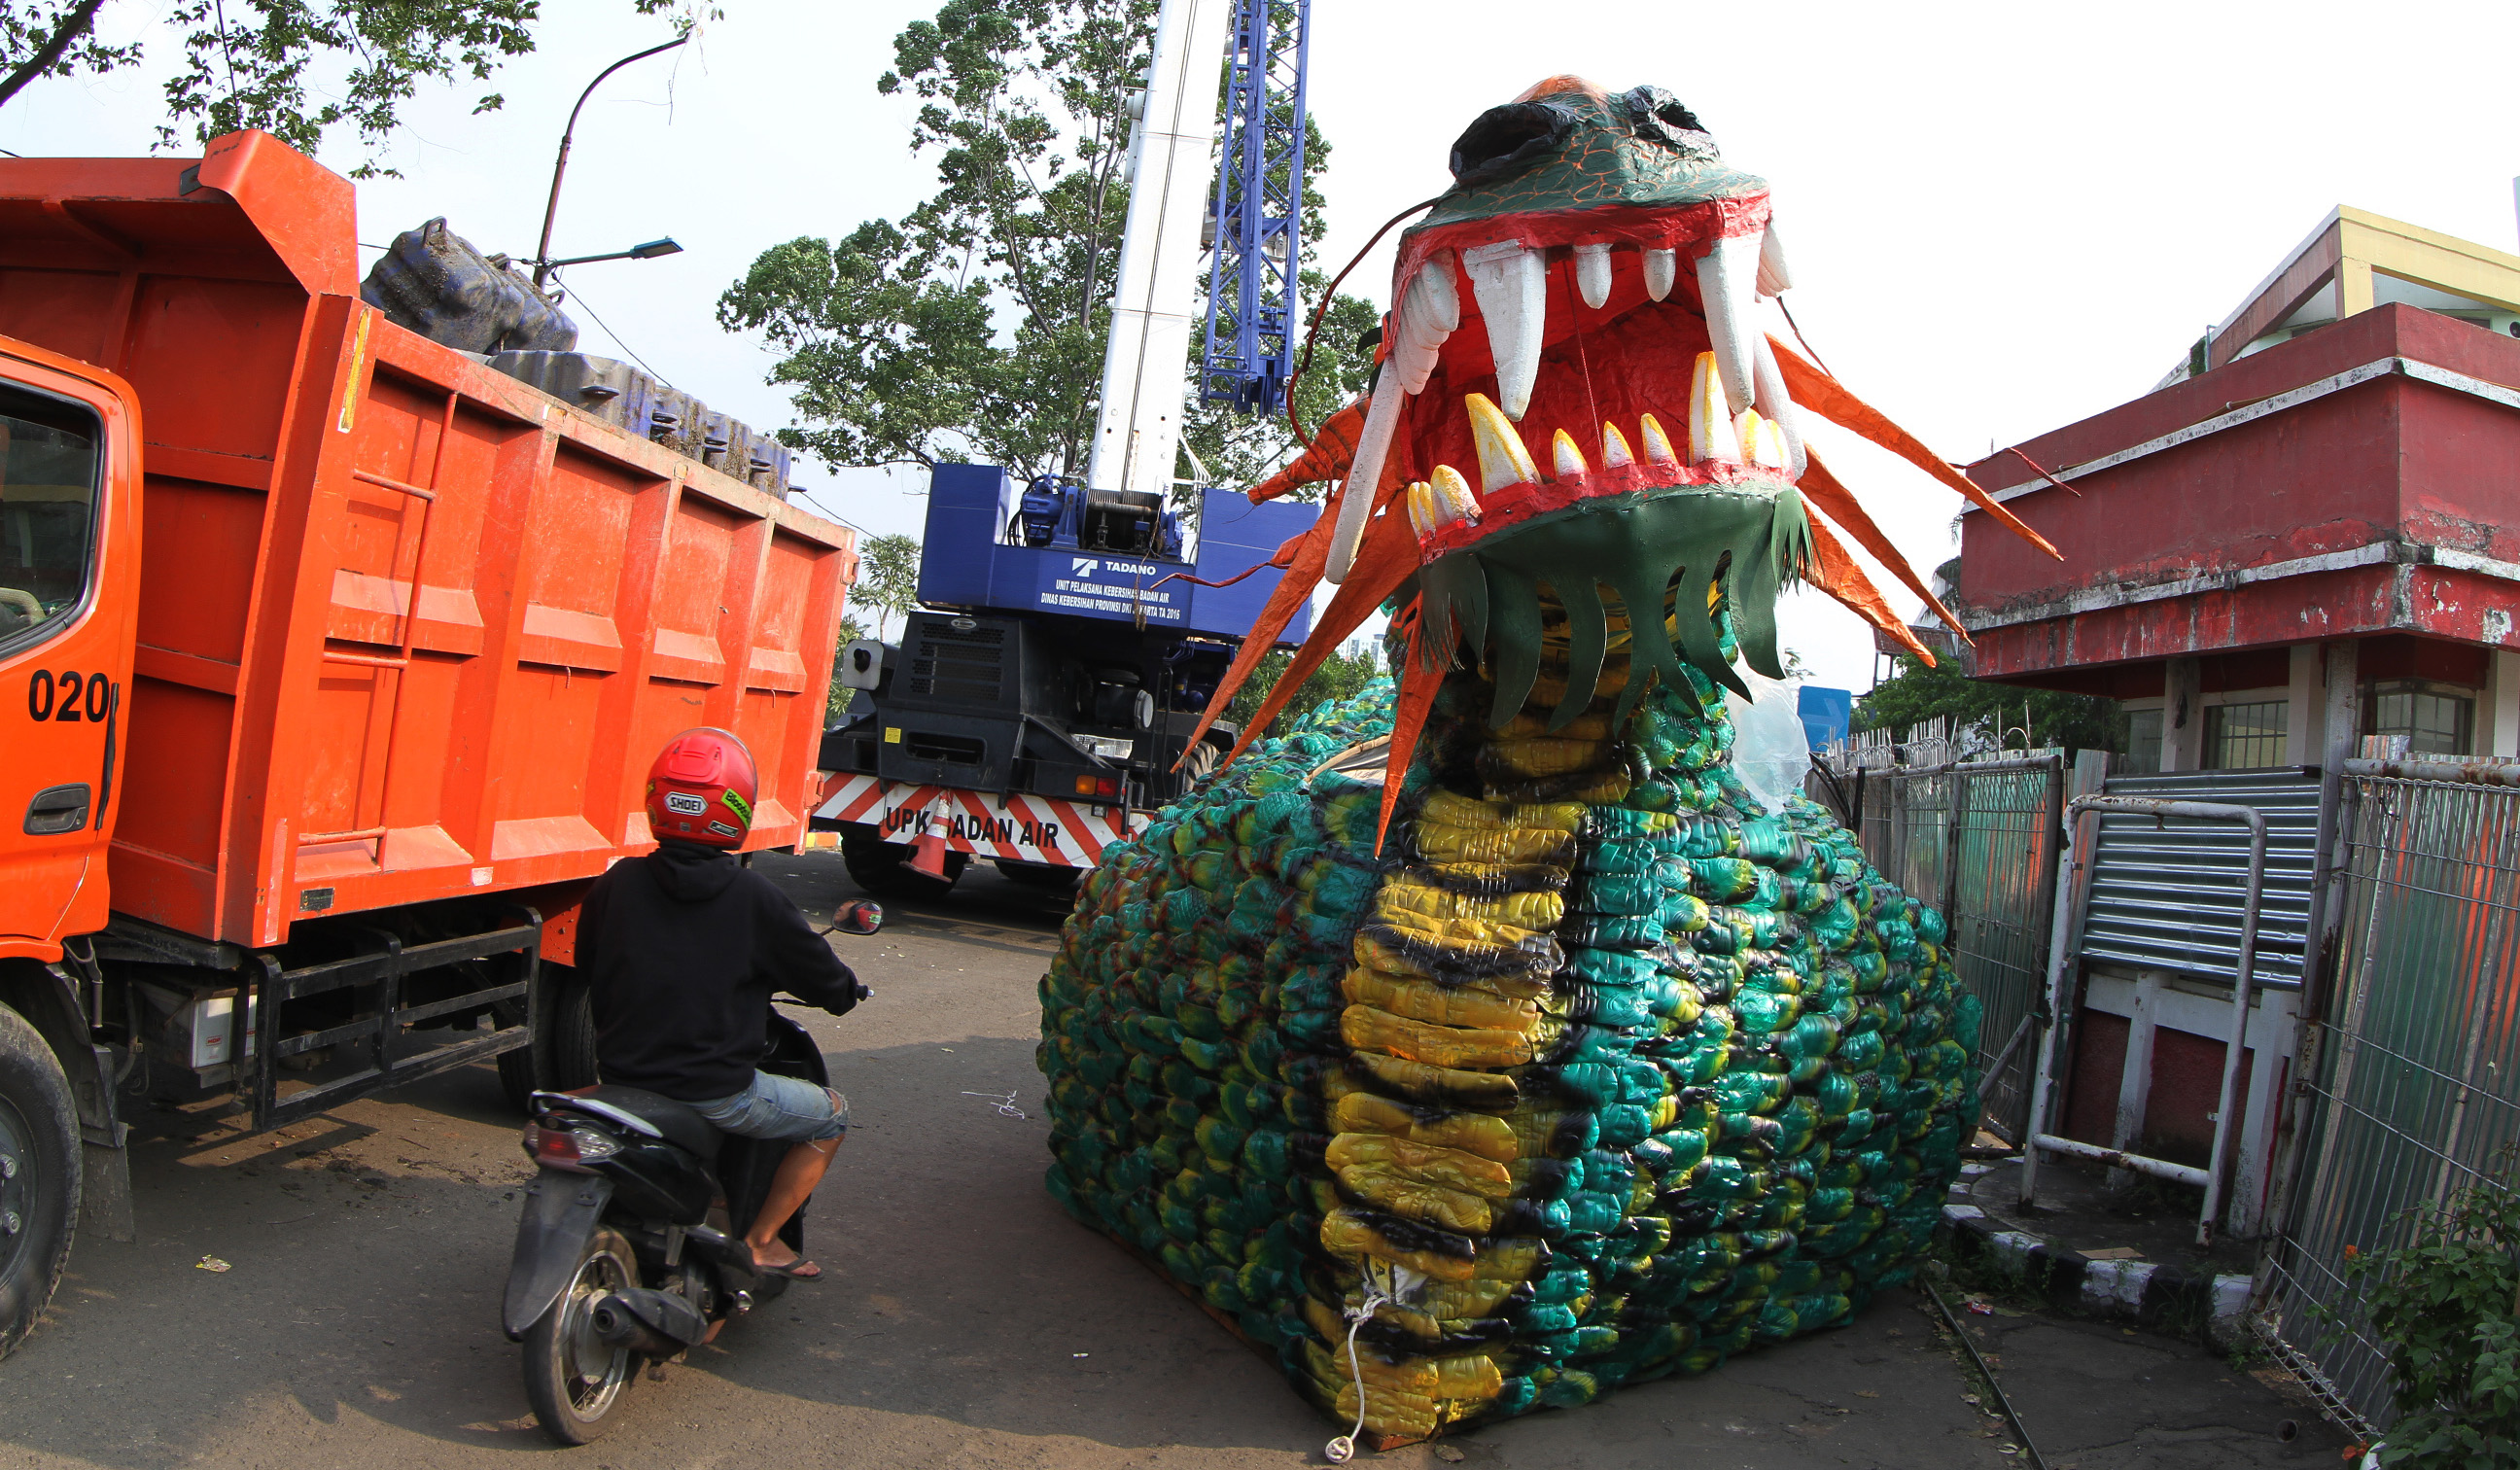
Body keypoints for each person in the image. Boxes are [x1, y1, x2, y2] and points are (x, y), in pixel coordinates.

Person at [578, 727, 864, 1280]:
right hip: (715, 1093)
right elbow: (826, 981)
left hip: (619, 1079)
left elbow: (590, 966)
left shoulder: (618, 883)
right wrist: (845, 992)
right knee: (830, 1115)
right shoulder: (756, 899)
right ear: (737, 806)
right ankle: (760, 1241)